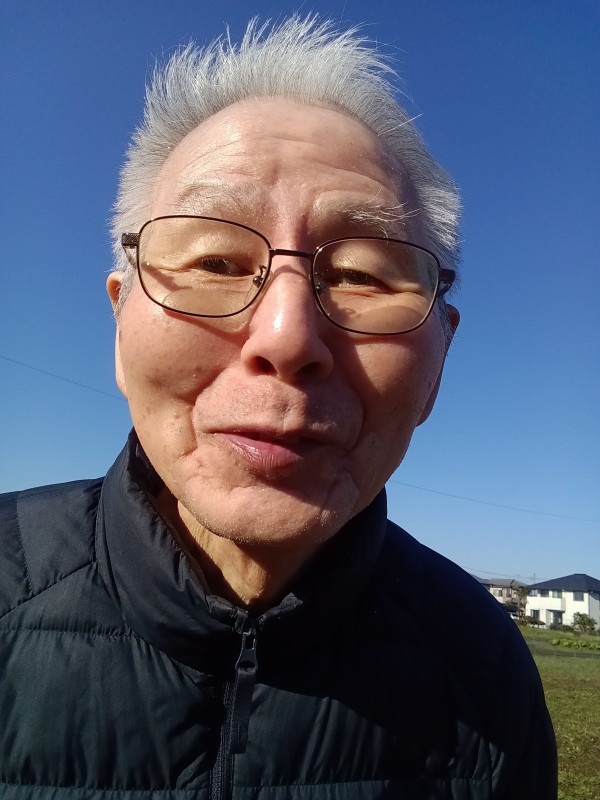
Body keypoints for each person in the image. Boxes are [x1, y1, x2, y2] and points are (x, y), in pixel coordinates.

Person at [0, 16, 556, 799]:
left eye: (361, 275)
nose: (287, 337)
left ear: (439, 363)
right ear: (120, 326)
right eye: (216, 262)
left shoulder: (486, 671)